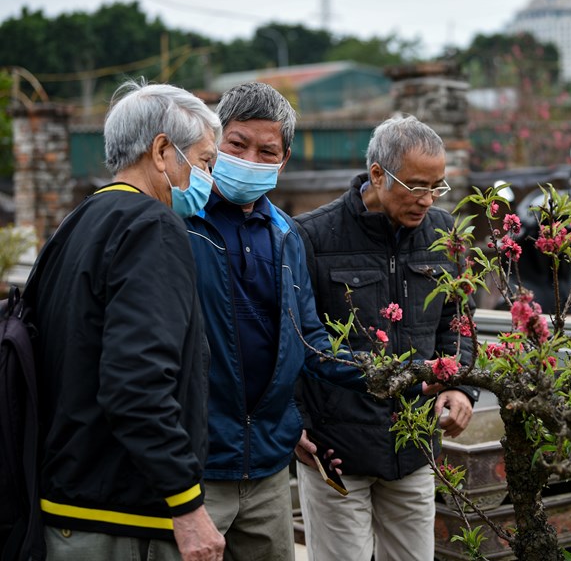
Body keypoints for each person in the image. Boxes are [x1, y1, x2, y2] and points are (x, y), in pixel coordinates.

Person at [32, 80, 225, 561]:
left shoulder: (80, 222)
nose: (210, 180)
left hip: (69, 500)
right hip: (124, 518)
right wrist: (187, 504)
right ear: (163, 151)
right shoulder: (151, 228)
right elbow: (136, 384)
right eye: (204, 161)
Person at [185, 82, 366, 560]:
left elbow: (308, 339)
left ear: (283, 162)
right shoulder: (181, 222)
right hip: (198, 464)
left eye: (268, 151)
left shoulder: (286, 235)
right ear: (212, 144)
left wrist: (396, 375)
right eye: (237, 144)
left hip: (267, 463)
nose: (251, 159)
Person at [293, 115, 480, 561]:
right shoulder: (312, 237)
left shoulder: (444, 235)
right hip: (336, 450)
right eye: (417, 185)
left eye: (437, 186)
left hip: (414, 446)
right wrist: (293, 419)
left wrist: (459, 385)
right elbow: (299, 339)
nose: (428, 199)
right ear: (377, 174)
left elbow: (458, 322)